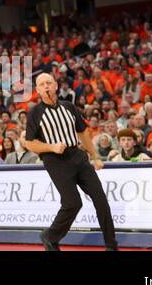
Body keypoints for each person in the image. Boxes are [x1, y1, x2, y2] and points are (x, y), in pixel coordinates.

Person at [22, 71, 118, 251]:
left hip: (78, 156)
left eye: (49, 83)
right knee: (72, 203)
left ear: (56, 86)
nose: (47, 87)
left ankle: (111, 245)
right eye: (42, 84)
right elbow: (29, 143)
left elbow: (82, 132)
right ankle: (50, 236)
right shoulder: (35, 112)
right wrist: (51, 147)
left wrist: (95, 156)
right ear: (38, 90)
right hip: (55, 161)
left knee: (101, 200)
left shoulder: (69, 106)